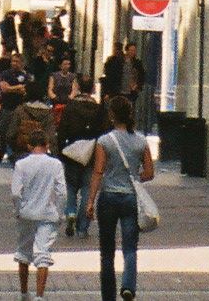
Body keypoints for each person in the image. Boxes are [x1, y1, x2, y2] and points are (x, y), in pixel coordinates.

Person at [86, 95, 155, 301]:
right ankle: (128, 286)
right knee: (130, 247)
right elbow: (149, 172)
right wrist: (134, 178)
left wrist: (90, 201)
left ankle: (108, 296)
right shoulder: (141, 141)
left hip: (108, 197)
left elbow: (98, 171)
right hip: (130, 198)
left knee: (107, 251)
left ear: (112, 115)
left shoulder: (105, 141)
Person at [11, 125, 66, 299]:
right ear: (47, 145)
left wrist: (18, 209)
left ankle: (24, 292)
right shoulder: (55, 164)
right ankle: (40, 295)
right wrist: (59, 212)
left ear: (29, 145)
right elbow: (62, 192)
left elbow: (15, 192)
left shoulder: (21, 165)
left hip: (27, 213)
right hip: (47, 213)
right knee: (43, 253)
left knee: (23, 252)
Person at [57, 75, 107, 238]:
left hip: (72, 151)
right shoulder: (99, 109)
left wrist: (61, 150)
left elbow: (62, 130)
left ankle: (71, 211)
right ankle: (82, 226)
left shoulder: (70, 107)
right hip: (92, 153)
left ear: (77, 88)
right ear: (92, 89)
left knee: (70, 186)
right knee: (87, 188)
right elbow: (104, 132)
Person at [0, 50, 29, 164]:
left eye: (17, 61)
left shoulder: (26, 76)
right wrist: (18, 87)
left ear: (22, 63)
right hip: (6, 107)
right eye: (13, 61)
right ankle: (1, 152)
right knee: (3, 131)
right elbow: (4, 88)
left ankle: (14, 153)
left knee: (17, 132)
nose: (14, 63)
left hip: (20, 108)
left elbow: (25, 91)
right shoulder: (5, 74)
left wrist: (11, 88)